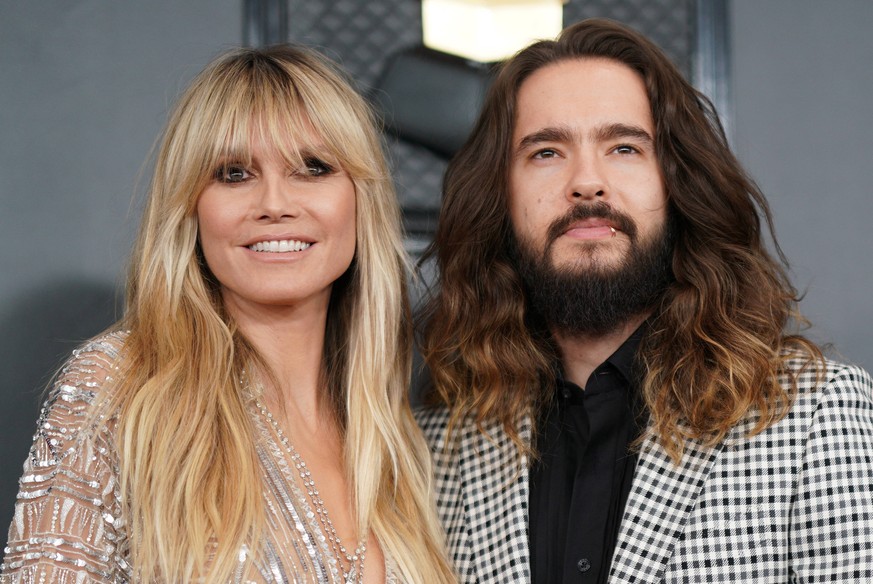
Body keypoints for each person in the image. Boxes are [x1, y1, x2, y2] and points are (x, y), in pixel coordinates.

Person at [416, 18, 873, 584]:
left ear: (677, 182)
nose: (587, 182)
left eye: (625, 147)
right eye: (546, 152)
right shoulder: (439, 446)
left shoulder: (817, 417)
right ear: (499, 196)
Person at [1, 45, 455, 583]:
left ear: (361, 199)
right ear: (191, 208)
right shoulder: (120, 389)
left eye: (313, 167)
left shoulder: (391, 436)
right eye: (234, 173)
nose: (275, 203)